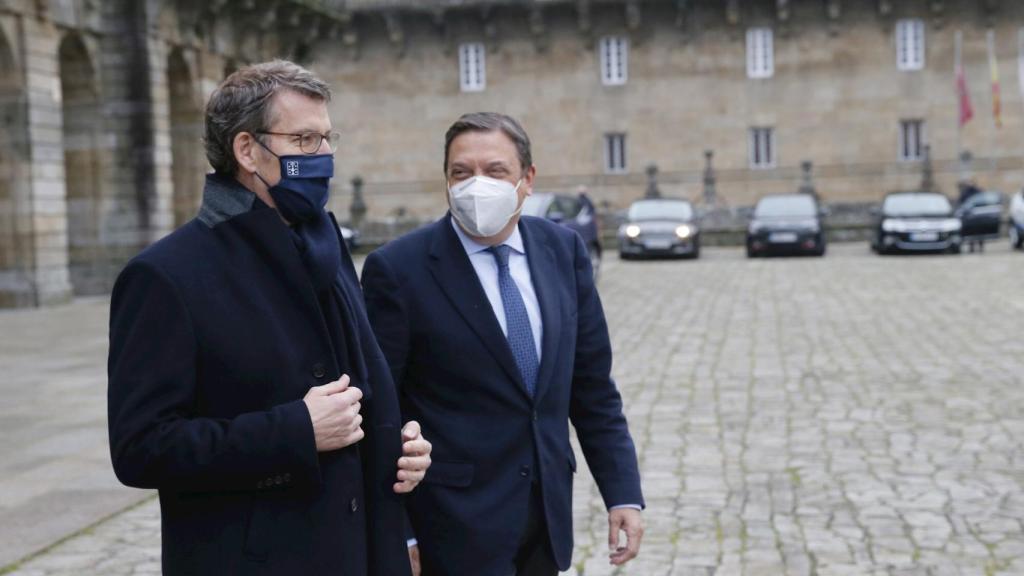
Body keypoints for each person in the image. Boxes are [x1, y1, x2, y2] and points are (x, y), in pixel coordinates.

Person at [107, 60, 430, 576]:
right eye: (304, 140)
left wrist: (398, 446)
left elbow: (358, 393)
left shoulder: (327, 248)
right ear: (247, 150)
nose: (324, 155)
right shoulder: (165, 276)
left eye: (327, 138)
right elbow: (141, 449)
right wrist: (294, 430)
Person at [362, 112, 644, 576]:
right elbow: (381, 409)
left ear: (526, 179)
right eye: (461, 173)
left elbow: (592, 387)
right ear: (445, 182)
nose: (476, 185)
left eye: (494, 171)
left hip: (545, 518)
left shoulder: (563, 251)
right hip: (450, 526)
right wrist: (400, 530)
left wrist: (623, 492)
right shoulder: (399, 270)